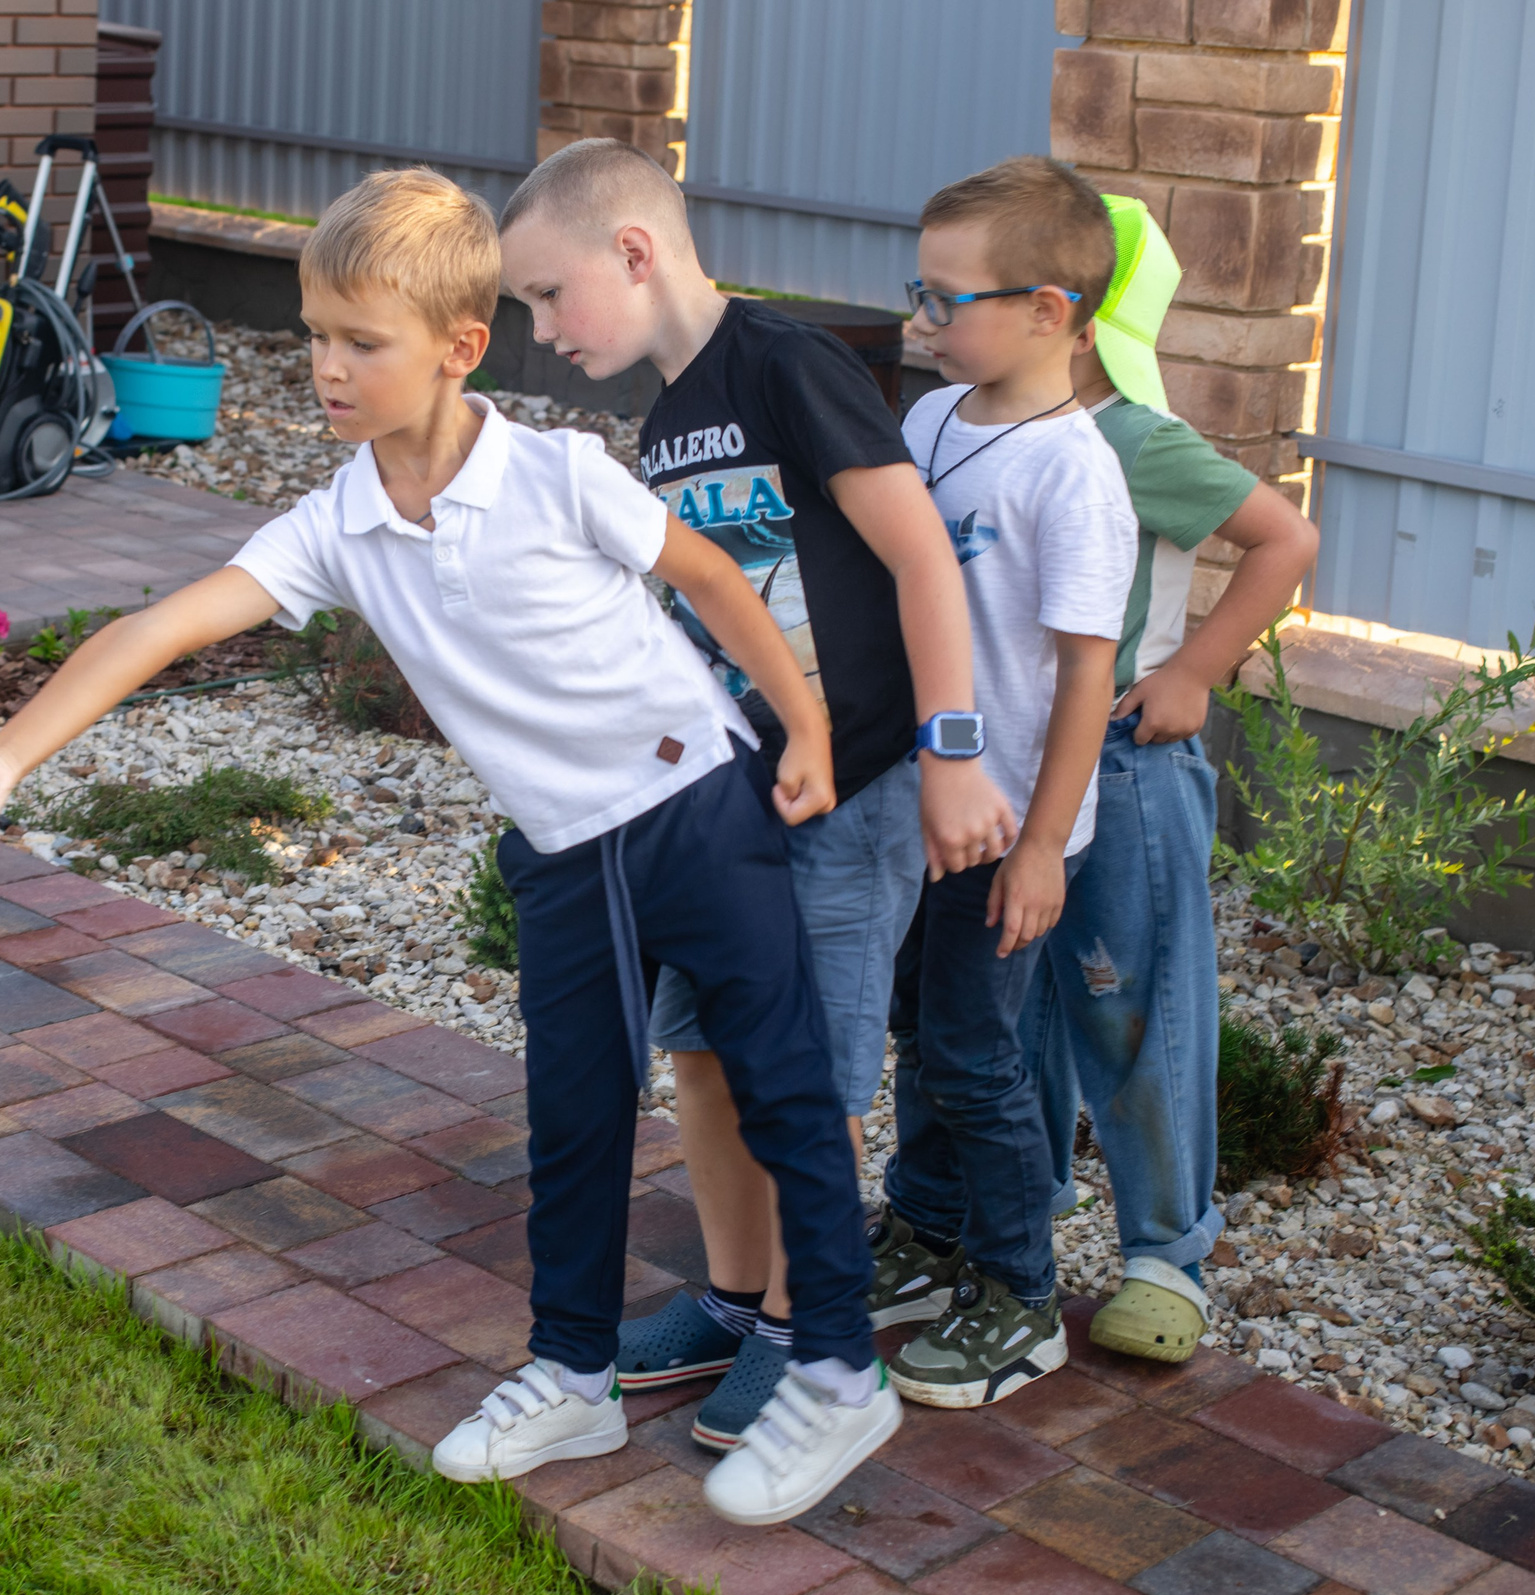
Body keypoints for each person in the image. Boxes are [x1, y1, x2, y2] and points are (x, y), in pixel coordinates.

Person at [0, 167, 894, 1523]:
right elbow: (161, 625)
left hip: (696, 810)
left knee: (782, 1088)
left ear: (458, 346)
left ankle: (837, 1368)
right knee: (575, 1118)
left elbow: (711, 576)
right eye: (316, 334)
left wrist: (807, 725)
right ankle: (574, 1374)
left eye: (361, 341)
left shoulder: (556, 473)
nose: (326, 367)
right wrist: (4, 754)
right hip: (565, 851)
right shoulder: (339, 524)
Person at [496, 139, 1017, 1455]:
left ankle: (803, 1325)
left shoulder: (790, 363)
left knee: (809, 1068)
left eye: (549, 295)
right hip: (725, 801)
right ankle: (737, 1300)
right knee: (702, 1041)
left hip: (855, 787)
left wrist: (953, 751)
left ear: (634, 251)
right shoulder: (667, 419)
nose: (542, 330)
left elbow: (922, 560)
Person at [1022, 196, 1320, 1362]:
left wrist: (1195, 667)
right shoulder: (972, 429)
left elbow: (1282, 537)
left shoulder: (1134, 441)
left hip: (1124, 761)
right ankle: (1012, 1215)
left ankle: (1165, 1256)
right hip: (1013, 763)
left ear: (1070, 317)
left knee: (1130, 1001)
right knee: (1014, 1005)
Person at [873, 156, 1136, 1408]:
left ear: (1048, 310)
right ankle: (926, 1231)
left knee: (978, 1054)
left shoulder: (1072, 473)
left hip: (1009, 825)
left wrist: (1041, 845)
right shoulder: (930, 421)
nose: (921, 321)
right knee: (919, 1029)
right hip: (920, 804)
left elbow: (1088, 673)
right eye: (918, 292)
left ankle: (1020, 1295)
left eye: (946, 299)